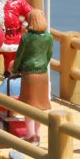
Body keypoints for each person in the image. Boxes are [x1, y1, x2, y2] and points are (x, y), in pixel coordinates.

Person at [12, 9, 53, 146]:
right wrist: (43, 65)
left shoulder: (26, 38)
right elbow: (49, 55)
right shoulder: (49, 37)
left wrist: (15, 69)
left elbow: (19, 56)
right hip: (43, 74)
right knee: (39, 106)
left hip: (29, 74)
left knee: (29, 105)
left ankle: (30, 135)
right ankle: (38, 135)